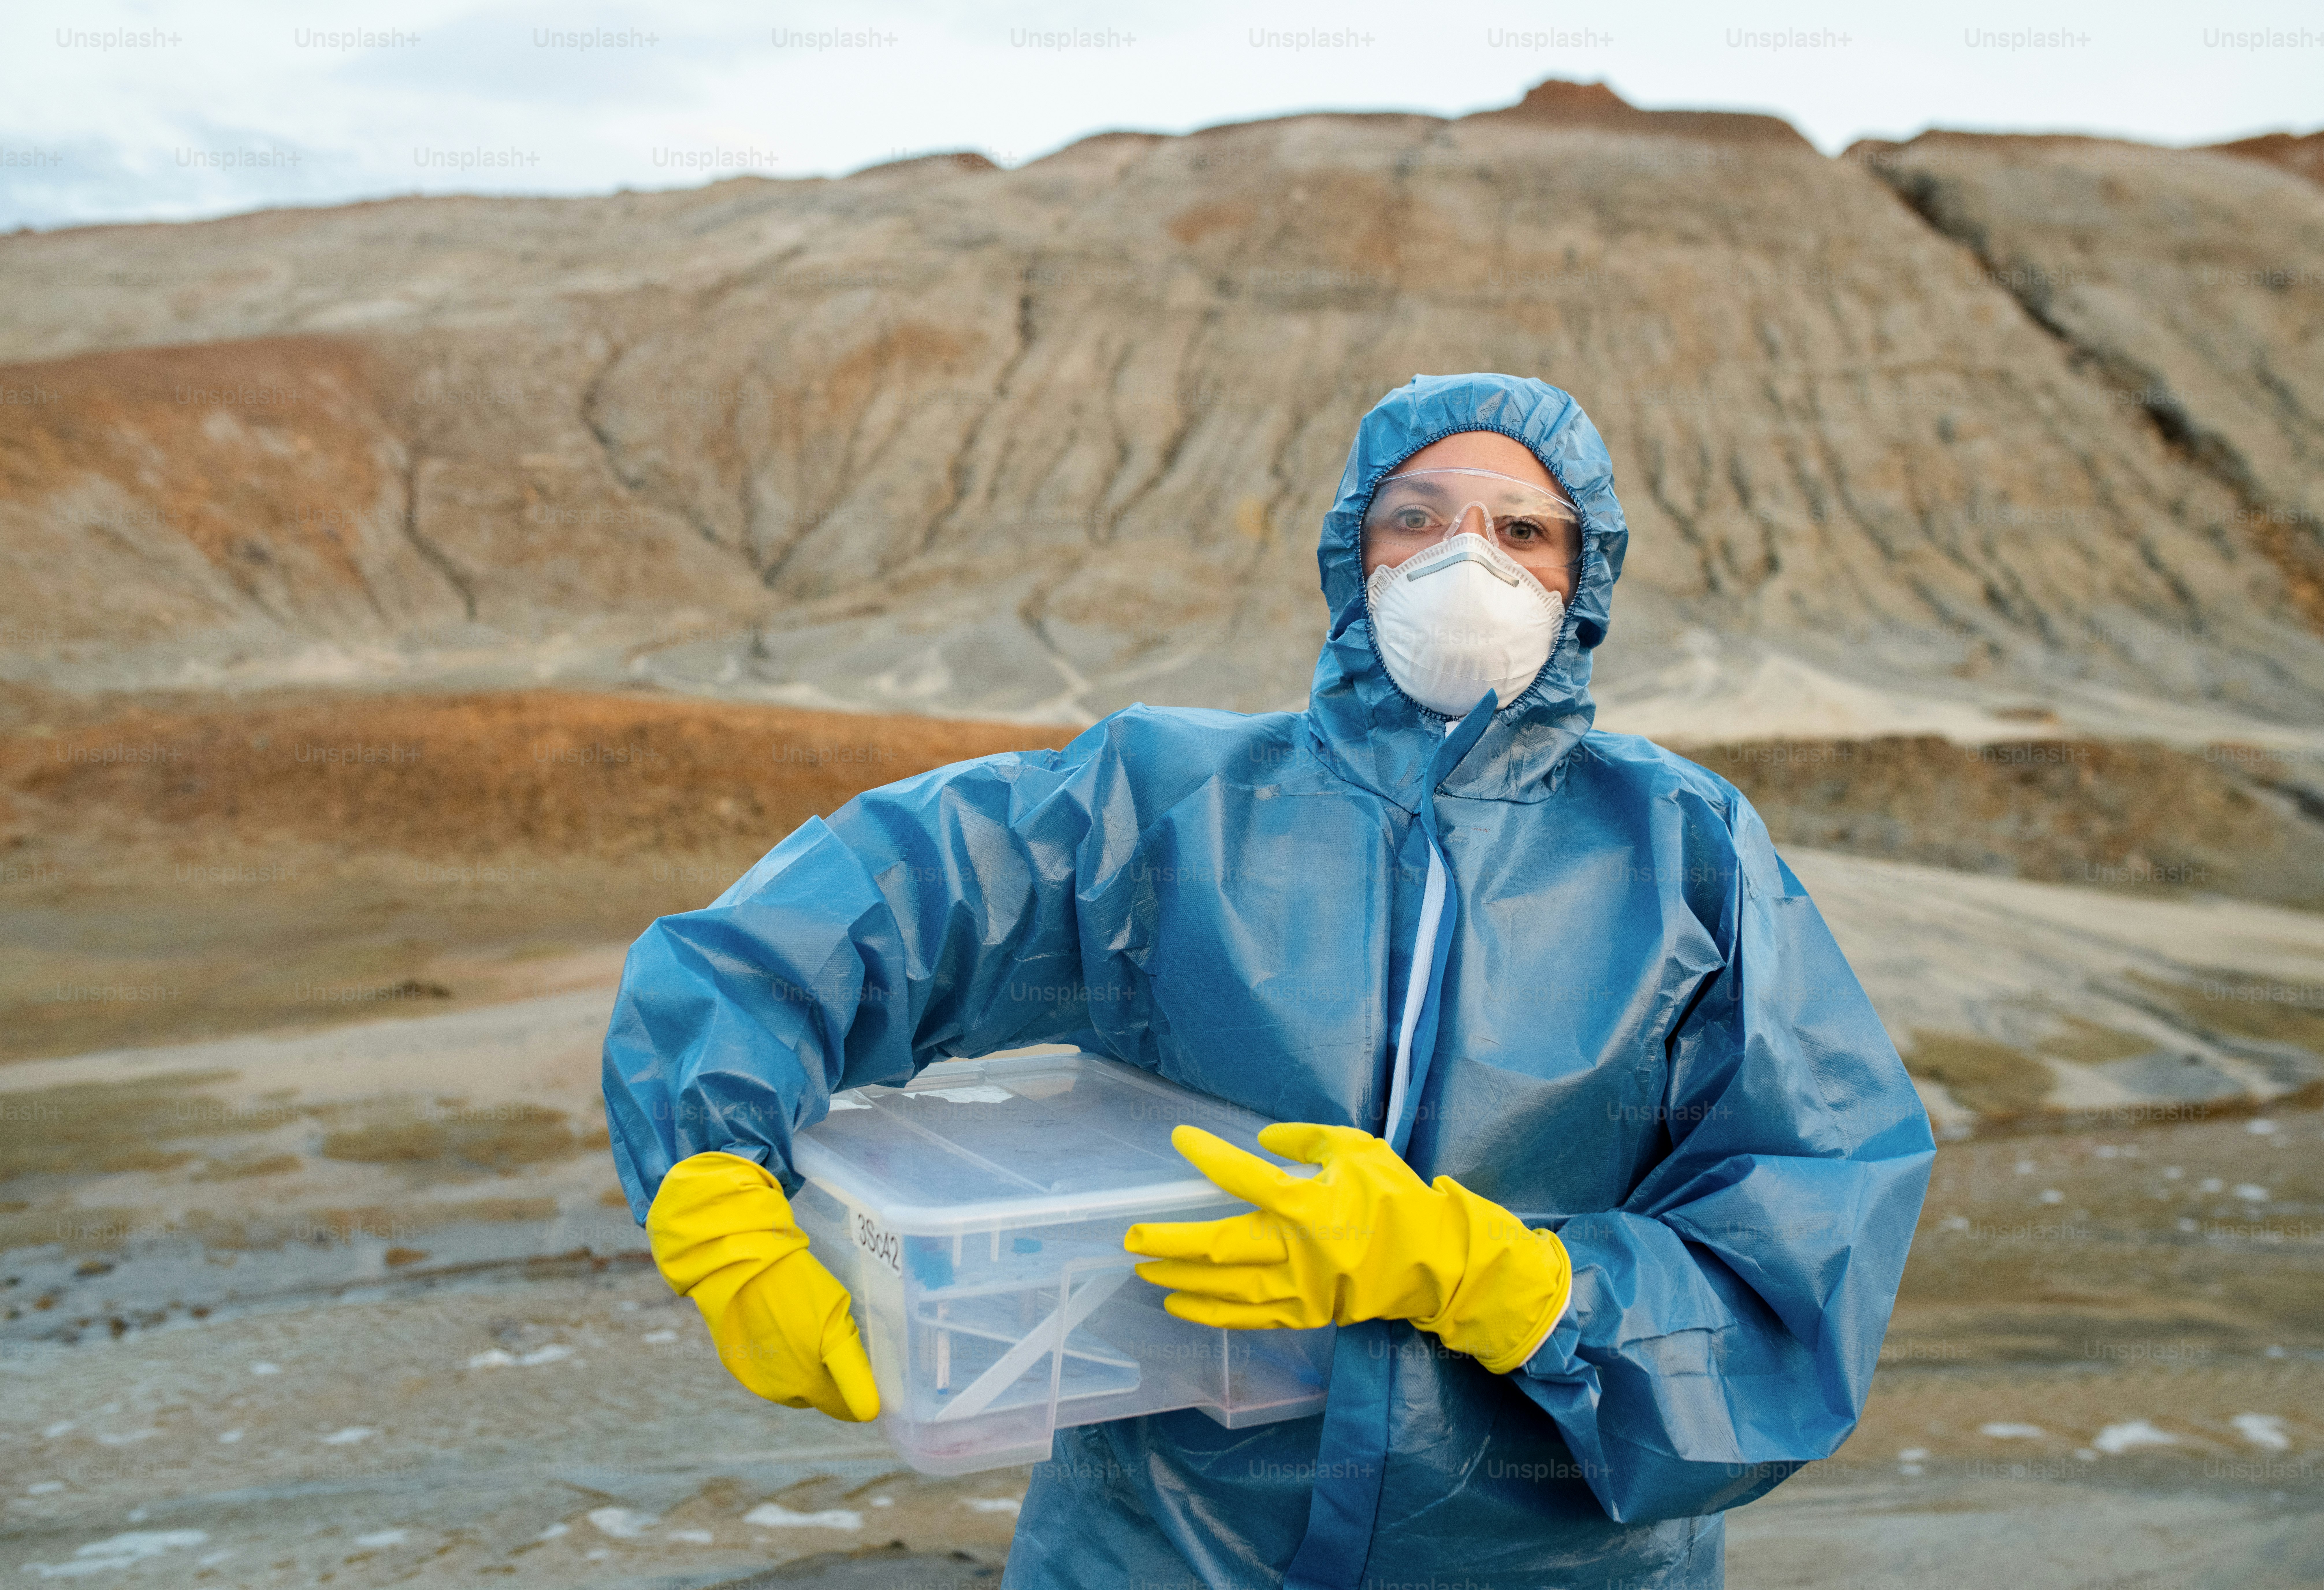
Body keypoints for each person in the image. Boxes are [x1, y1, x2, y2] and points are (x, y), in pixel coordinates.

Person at [603, 372, 1936, 1589]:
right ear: (1353, 552)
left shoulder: (1682, 848)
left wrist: (1506, 1280)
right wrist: (710, 1174)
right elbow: (831, 921)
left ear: (1584, 577)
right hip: (1161, 1551)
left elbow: (1804, 1242)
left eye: (1522, 532)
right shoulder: (1162, 804)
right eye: (1418, 518)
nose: (1468, 558)